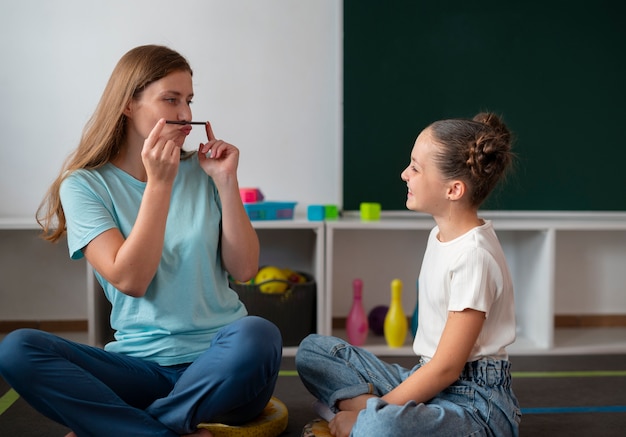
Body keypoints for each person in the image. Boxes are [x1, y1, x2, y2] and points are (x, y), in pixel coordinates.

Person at [0, 45, 282, 437]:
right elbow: (131, 279)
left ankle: (128, 427)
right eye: (171, 99)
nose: (186, 115)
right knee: (17, 349)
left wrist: (226, 181)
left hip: (222, 367)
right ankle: (162, 426)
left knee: (259, 334)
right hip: (139, 371)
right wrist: (159, 185)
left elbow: (245, 270)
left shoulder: (204, 172)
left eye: (189, 100)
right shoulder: (83, 185)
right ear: (128, 104)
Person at [296, 113, 522, 436]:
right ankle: (378, 413)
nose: (404, 174)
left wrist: (371, 416)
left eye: (416, 167)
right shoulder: (440, 235)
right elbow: (434, 370)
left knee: (378, 425)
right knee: (312, 353)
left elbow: (446, 368)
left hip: (476, 404)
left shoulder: (474, 256)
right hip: (431, 381)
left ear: (454, 189)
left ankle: (364, 413)